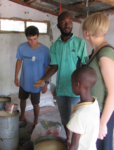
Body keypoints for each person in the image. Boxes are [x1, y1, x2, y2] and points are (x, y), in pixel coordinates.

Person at [34, 12, 88, 140]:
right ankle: (68, 141)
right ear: (58, 25)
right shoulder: (55, 46)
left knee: (76, 120)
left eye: (69, 22)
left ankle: (75, 144)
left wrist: (84, 89)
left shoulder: (80, 43)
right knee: (65, 119)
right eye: (63, 22)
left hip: (76, 90)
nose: (67, 24)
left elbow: (85, 66)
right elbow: (54, 66)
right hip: (62, 90)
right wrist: (43, 79)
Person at [82, 13, 114, 150]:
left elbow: (113, 92)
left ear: (86, 32)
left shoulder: (105, 54)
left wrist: (102, 123)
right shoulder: (97, 51)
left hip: (103, 112)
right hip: (95, 110)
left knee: (102, 147)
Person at [14, 26, 50, 129]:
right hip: (24, 81)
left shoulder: (45, 50)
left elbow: (47, 67)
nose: (32, 41)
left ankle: (35, 120)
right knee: (22, 99)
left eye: (34, 39)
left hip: (37, 82)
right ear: (26, 37)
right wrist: (16, 76)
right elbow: (19, 61)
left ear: (38, 37)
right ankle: (22, 116)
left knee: (35, 104)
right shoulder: (22, 47)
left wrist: (45, 83)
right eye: (30, 39)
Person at [67, 66, 100, 150]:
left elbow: (74, 146)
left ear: (77, 84)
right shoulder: (94, 102)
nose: (71, 85)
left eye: (71, 83)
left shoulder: (79, 114)